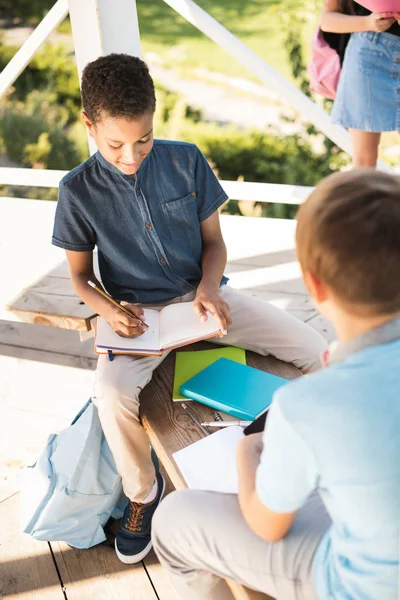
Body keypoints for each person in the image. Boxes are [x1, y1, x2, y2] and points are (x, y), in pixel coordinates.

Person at [51, 54, 326, 565]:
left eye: (144, 139)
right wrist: (109, 311)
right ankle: (142, 494)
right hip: (137, 320)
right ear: (89, 125)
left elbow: (214, 244)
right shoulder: (77, 191)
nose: (131, 155)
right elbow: (79, 277)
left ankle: (321, 447)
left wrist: (207, 288)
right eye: (115, 145)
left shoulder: (186, 159)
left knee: (314, 349)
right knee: (109, 394)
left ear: (155, 119)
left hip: (203, 301)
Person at [152, 169, 400, 600]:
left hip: (365, 586)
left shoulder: (308, 404)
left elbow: (267, 525)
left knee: (173, 520)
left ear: (315, 285)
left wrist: (249, 453)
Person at [322, 0, 400, 167]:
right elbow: (327, 20)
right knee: (364, 163)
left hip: (370, 54)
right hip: (369, 56)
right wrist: (368, 22)